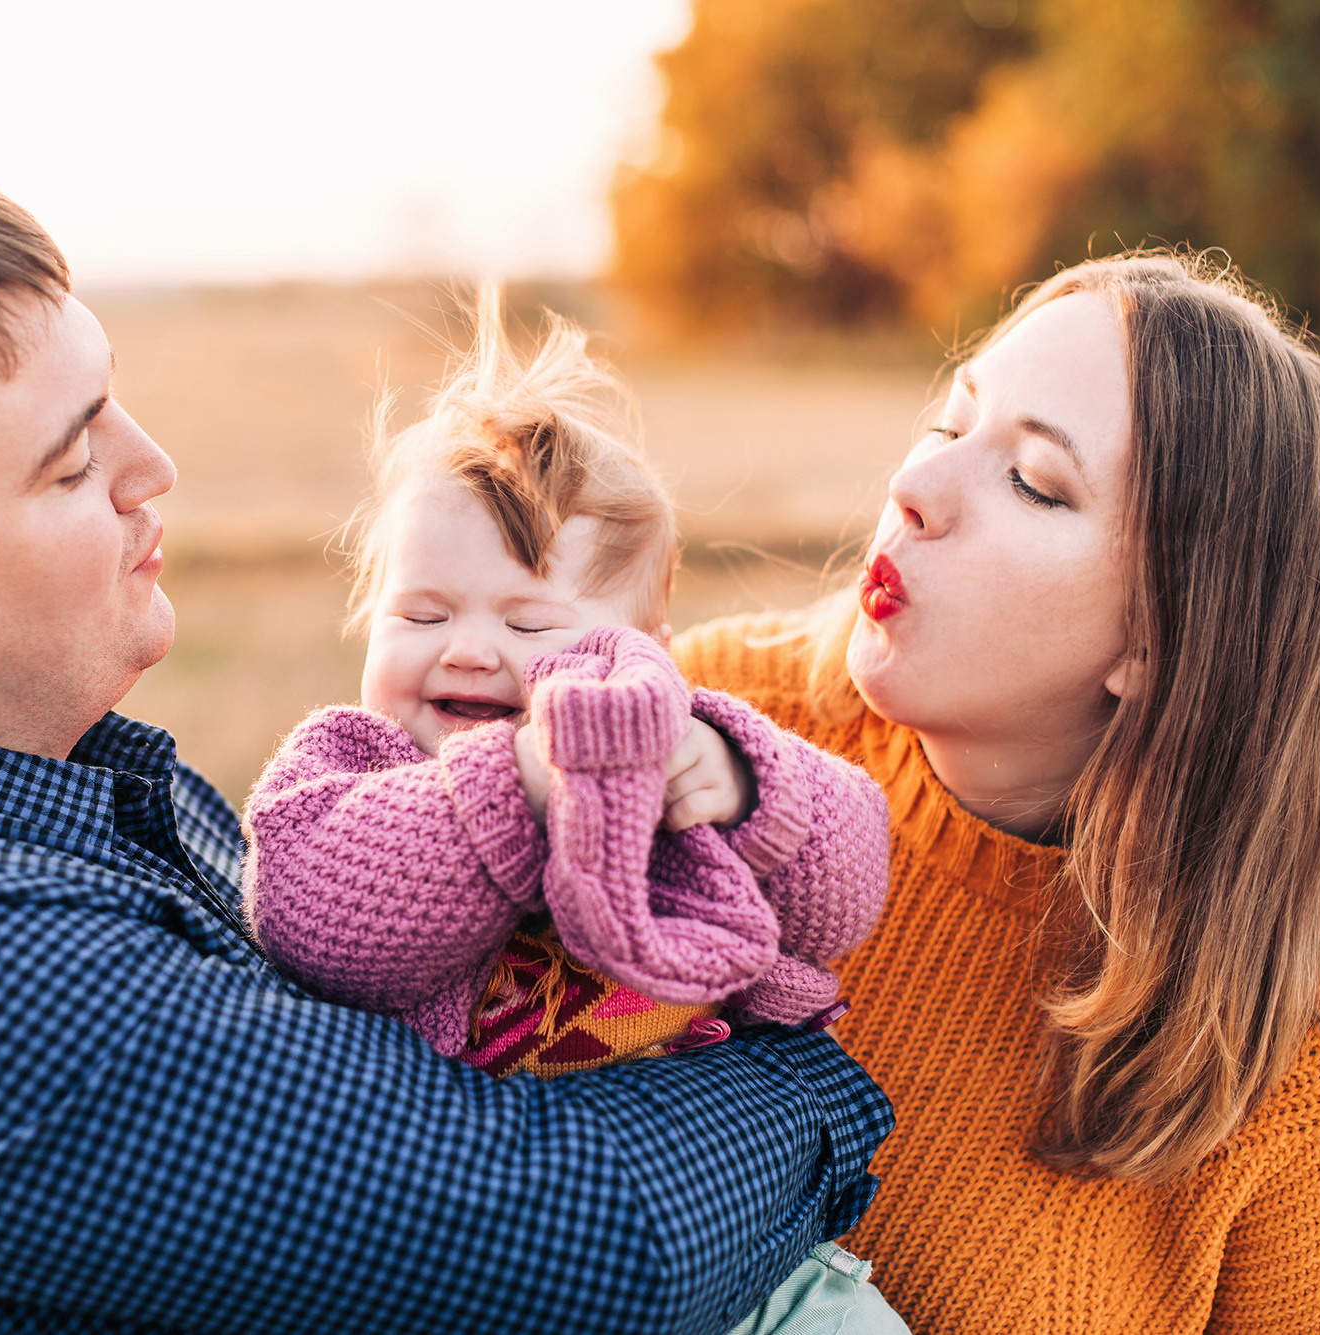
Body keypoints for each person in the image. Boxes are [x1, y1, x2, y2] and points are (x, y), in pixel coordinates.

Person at [0, 160, 892, 1335]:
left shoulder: (50, 783)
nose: (152, 467)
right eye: (70, 465)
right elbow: (597, 1248)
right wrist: (815, 1078)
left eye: (112, 404)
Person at [673, 252, 1320, 1334]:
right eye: (950, 423)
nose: (914, 488)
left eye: (1033, 482)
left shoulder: (1313, 1077)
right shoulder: (714, 723)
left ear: (1161, 640)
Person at [241, 291, 909, 1333]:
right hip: (498, 1248)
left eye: (530, 625)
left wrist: (744, 786)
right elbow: (317, 920)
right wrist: (521, 781)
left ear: (649, 656)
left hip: (755, 1268)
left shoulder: (688, 757)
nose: (469, 649)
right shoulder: (353, 764)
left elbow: (847, 891)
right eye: (420, 613)